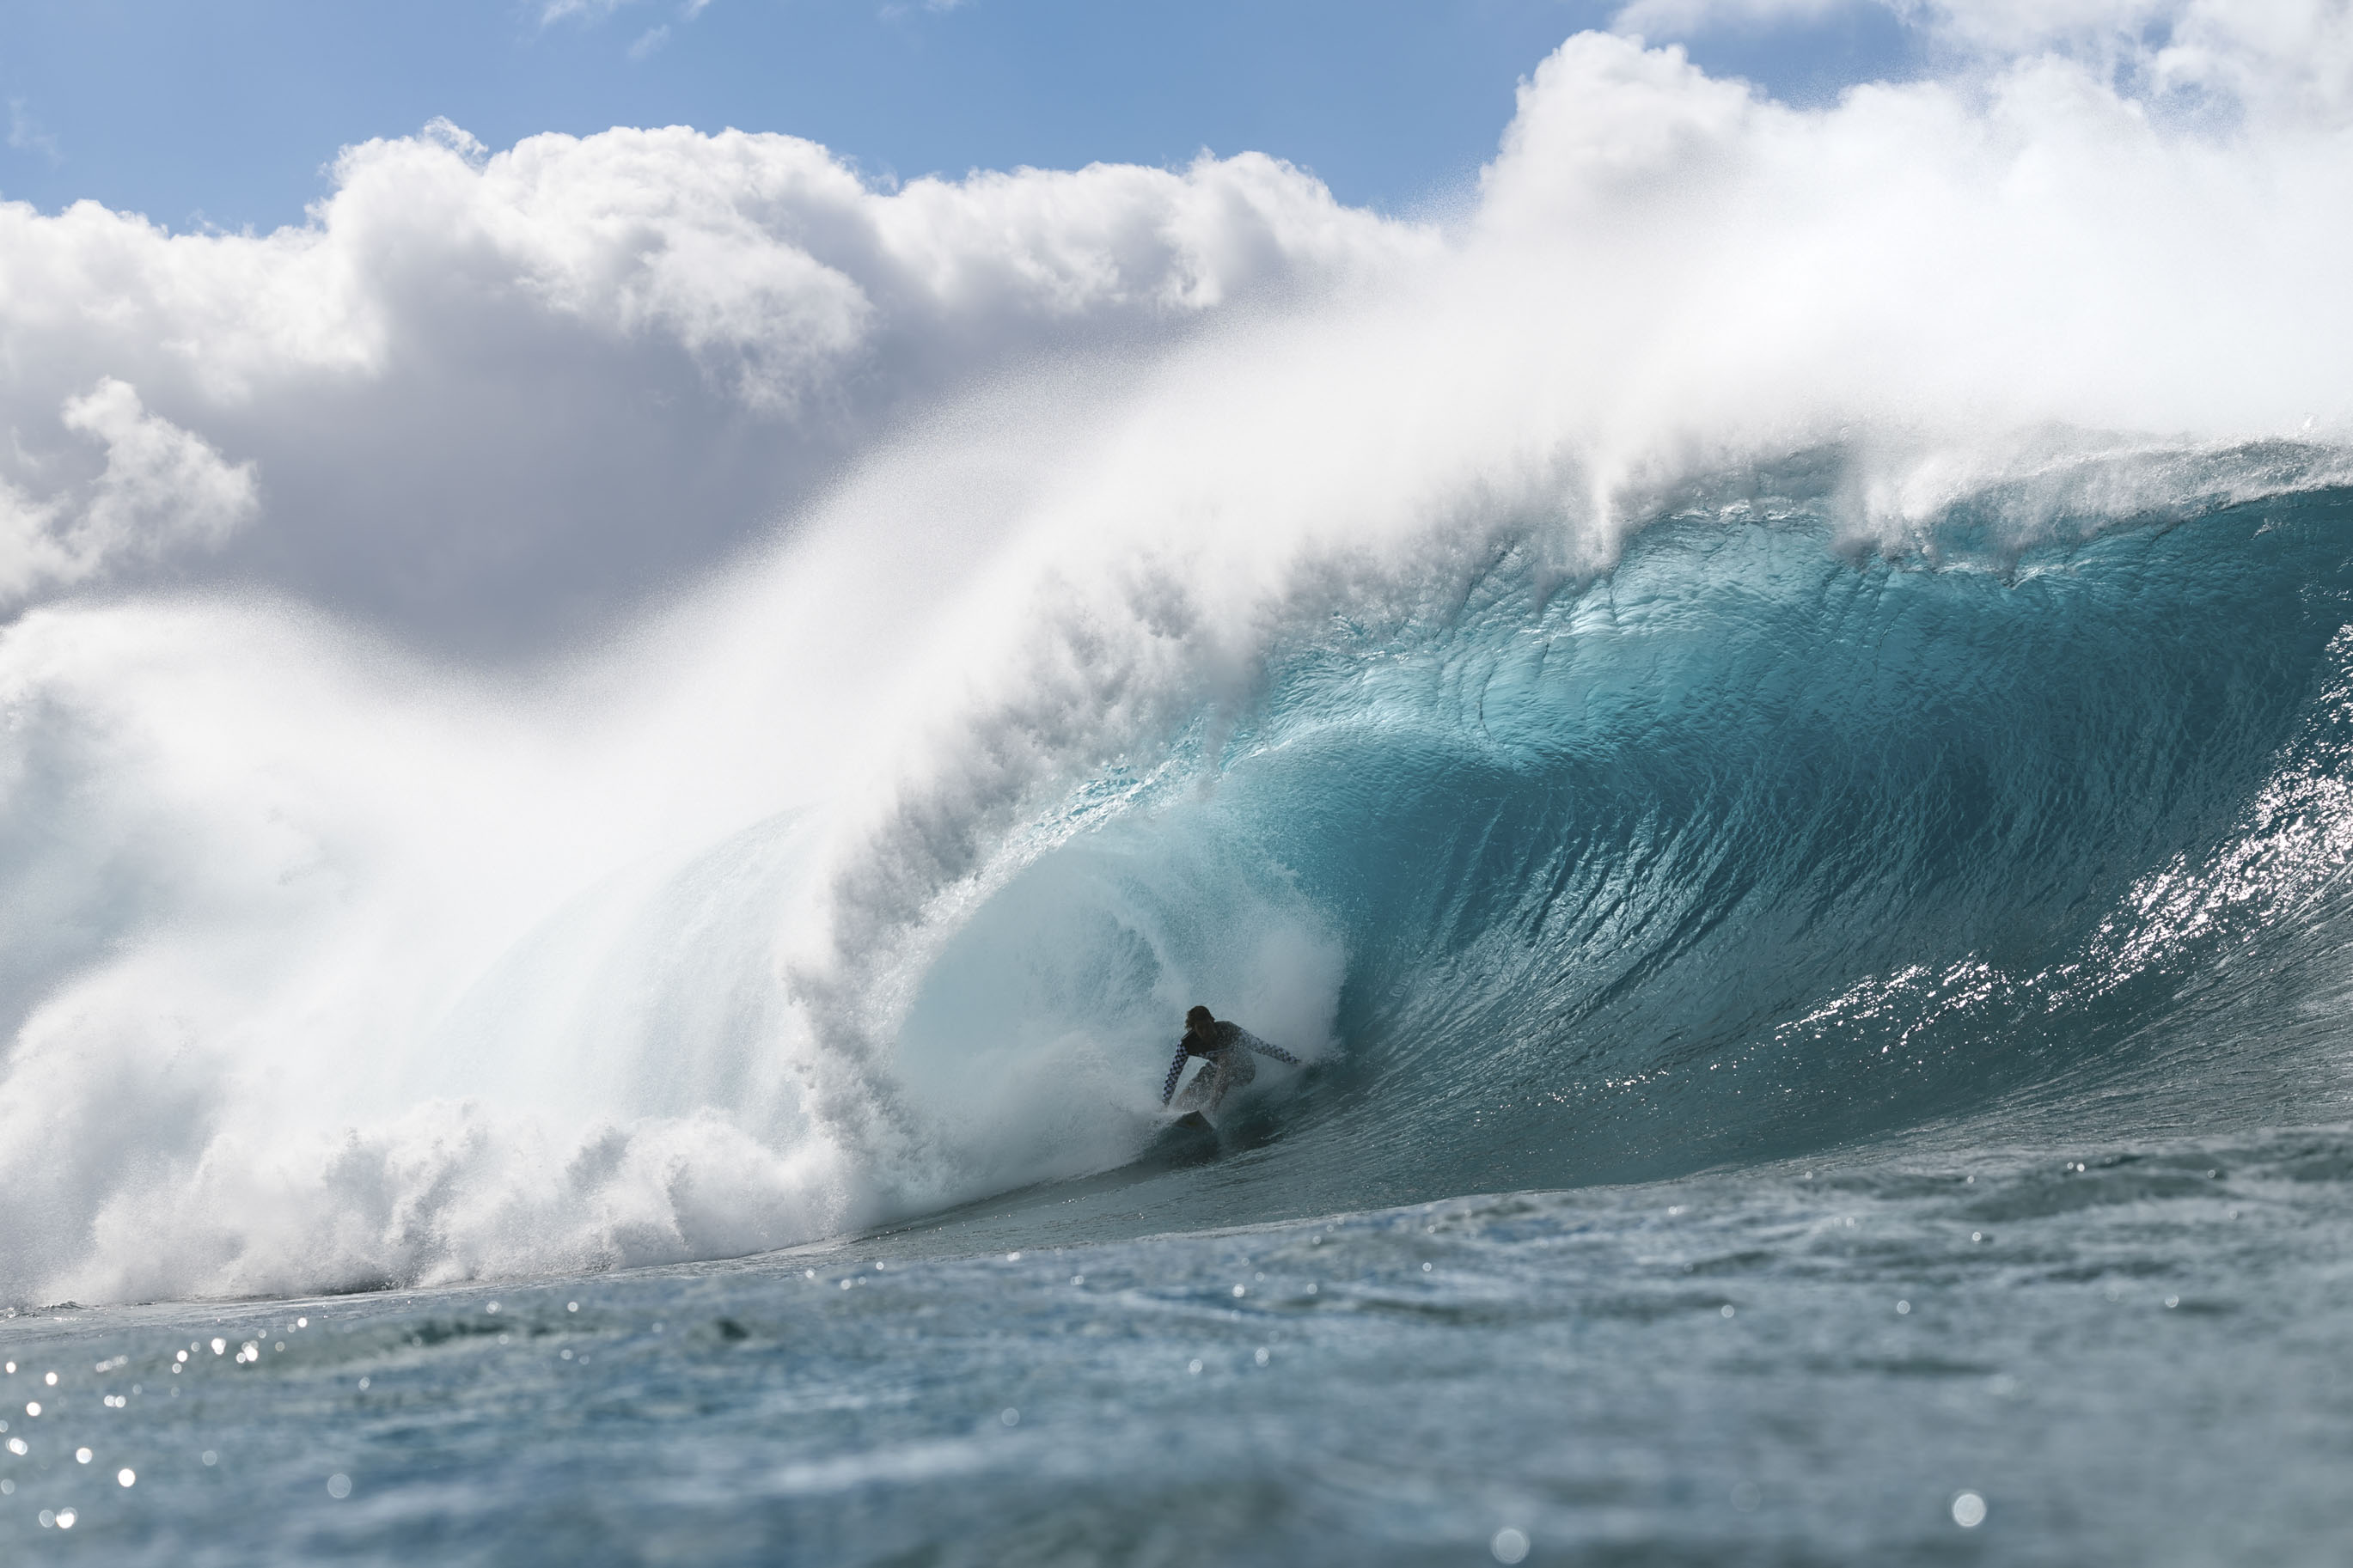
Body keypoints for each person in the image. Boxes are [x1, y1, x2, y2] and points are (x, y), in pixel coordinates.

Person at [1159, 1005, 1301, 1114]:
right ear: (1193, 1030)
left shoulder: (1229, 1030)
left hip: (1244, 1070)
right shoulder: (1186, 1044)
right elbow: (1173, 1075)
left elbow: (1265, 1047)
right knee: (1188, 1095)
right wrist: (1165, 1103)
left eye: (1208, 1026)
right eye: (1200, 1028)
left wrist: (1295, 1062)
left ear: (1212, 1021)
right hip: (1215, 1070)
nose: (1206, 1031)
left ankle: (1212, 1109)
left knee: (1224, 1059)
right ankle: (1176, 1115)